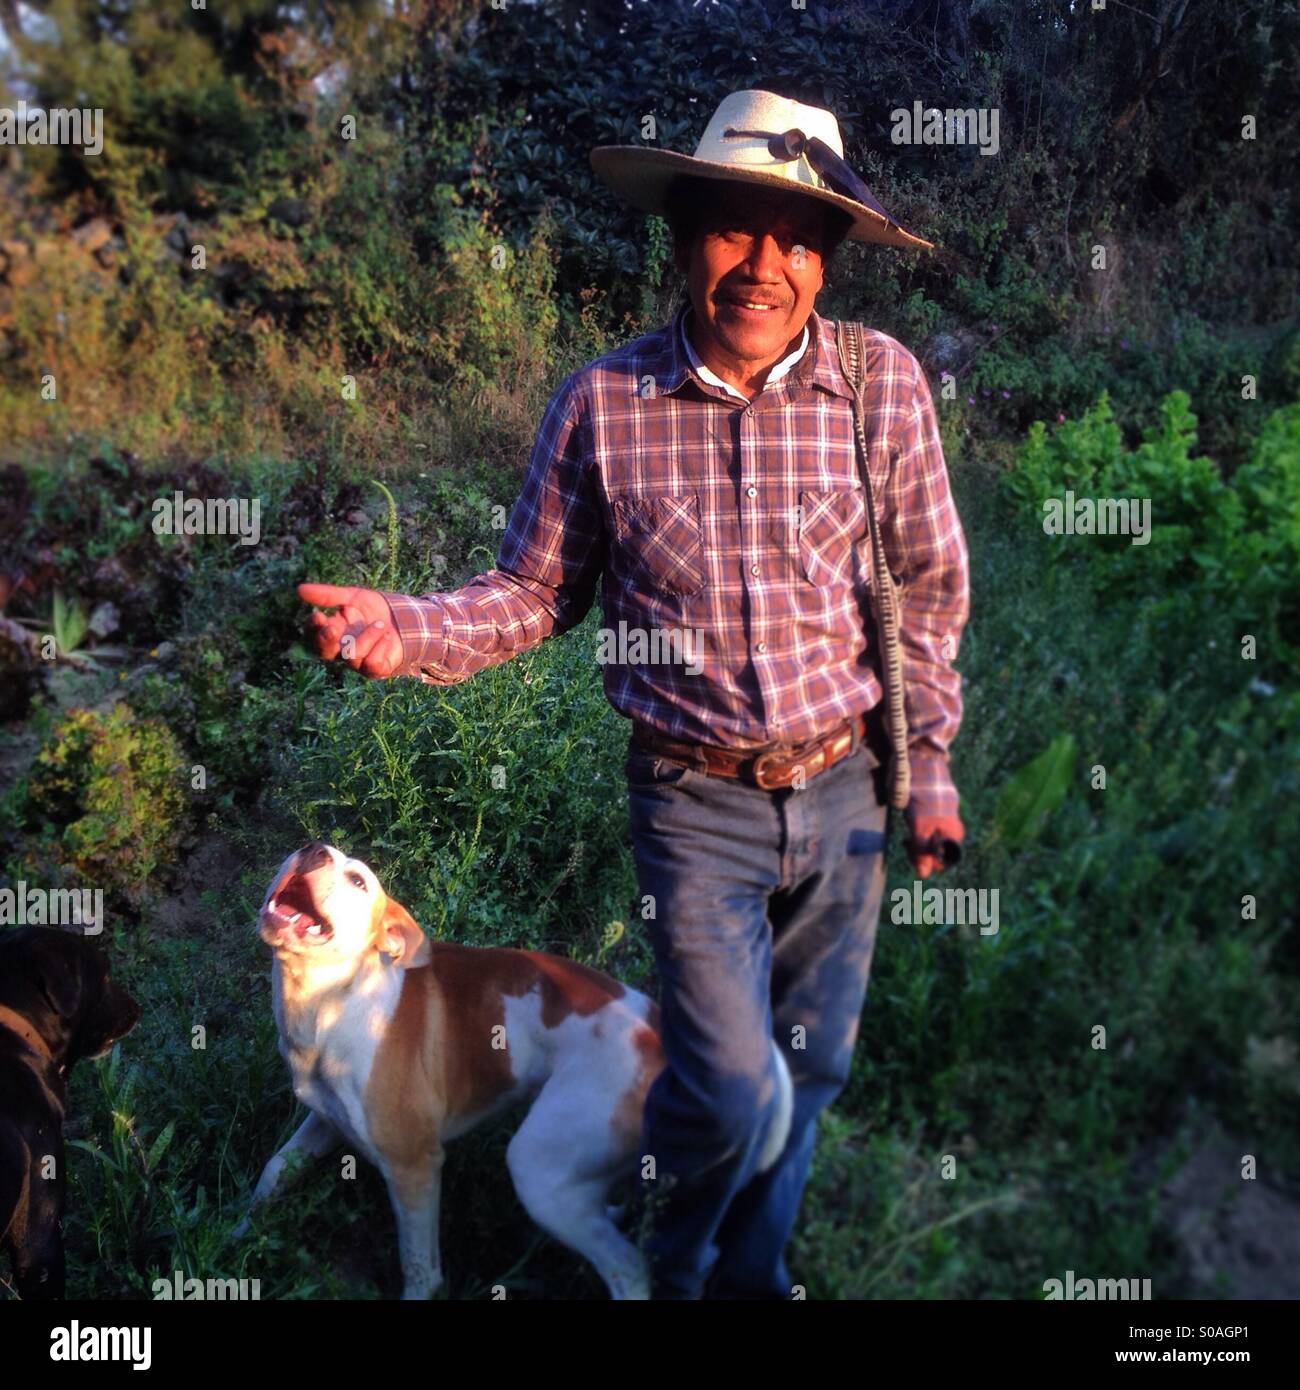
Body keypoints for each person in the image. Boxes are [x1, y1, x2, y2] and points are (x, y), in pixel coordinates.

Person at [297, 89, 970, 1300]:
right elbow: (531, 590)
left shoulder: (882, 387)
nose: (764, 267)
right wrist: (408, 624)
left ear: (827, 258)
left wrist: (926, 765)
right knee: (726, 1079)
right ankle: (665, 1260)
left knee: (804, 1075)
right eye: (733, 229)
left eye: (799, 237)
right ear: (680, 233)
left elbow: (923, 593)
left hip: (848, 787)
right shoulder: (604, 402)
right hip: (692, 802)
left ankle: (745, 1275)